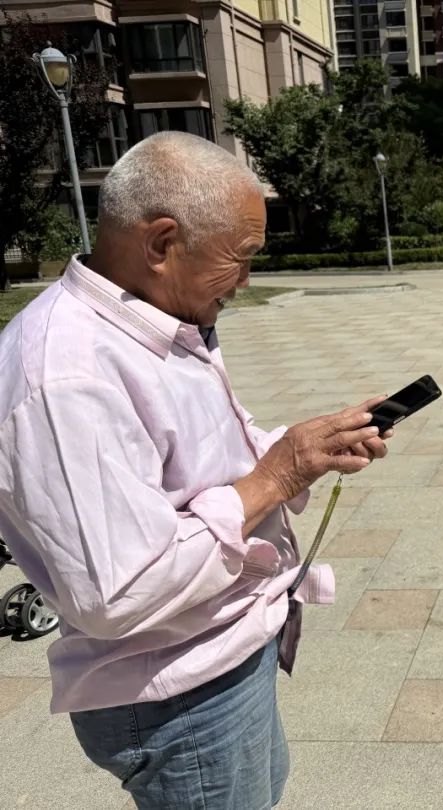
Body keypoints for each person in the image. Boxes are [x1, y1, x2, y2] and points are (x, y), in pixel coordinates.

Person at [0, 132, 392, 808]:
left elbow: (201, 456)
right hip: (179, 696)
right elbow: (118, 590)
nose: (246, 282)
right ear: (161, 243)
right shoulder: (65, 376)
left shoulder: (155, 320)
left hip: (219, 659)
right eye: (242, 257)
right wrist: (278, 476)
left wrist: (305, 450)